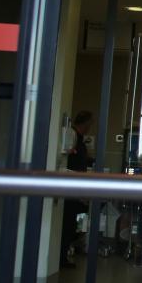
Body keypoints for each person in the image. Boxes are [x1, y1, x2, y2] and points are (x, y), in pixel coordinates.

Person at [59, 110, 94, 269]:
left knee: (75, 223)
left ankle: (65, 253)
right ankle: (62, 256)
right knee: (69, 224)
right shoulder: (73, 137)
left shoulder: (79, 140)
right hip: (72, 188)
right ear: (85, 123)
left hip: (75, 188)